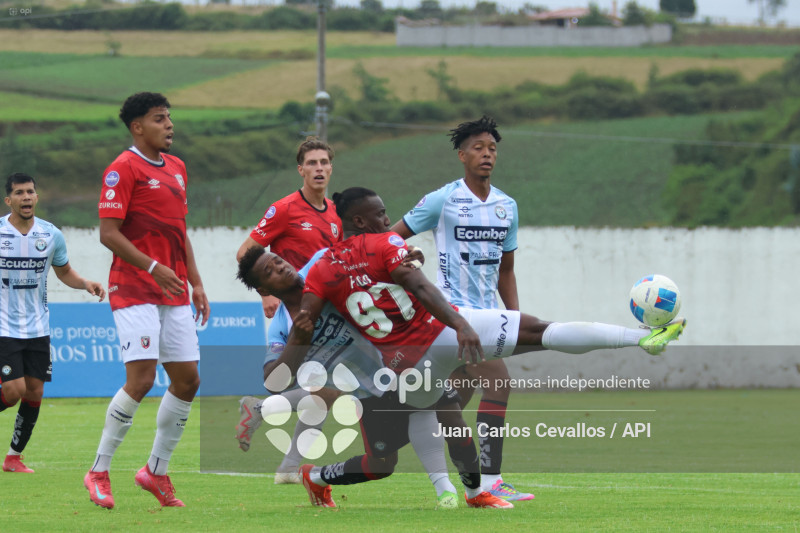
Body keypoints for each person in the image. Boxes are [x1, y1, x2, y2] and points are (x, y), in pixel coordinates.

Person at [273, 187, 685, 506]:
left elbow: (306, 322)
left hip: (406, 367)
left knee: (432, 426)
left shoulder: (325, 267)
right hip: (441, 335)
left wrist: (289, 360)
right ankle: (641, 339)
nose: (388, 219)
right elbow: (419, 285)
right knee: (538, 333)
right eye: (381, 214)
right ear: (359, 220)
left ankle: (468, 491)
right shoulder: (383, 244)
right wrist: (461, 325)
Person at [237, 247, 511, 509]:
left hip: (405, 356)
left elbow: (370, 255)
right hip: (369, 390)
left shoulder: (323, 263)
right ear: (264, 290)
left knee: (451, 420)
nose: (281, 267)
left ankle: (473, 494)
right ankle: (315, 476)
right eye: (270, 271)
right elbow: (273, 380)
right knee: (381, 465)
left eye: (278, 260)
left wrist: (406, 255)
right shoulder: (285, 326)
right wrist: (298, 340)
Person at [389, 116, 529, 500]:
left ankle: (375, 450)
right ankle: (488, 482)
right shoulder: (442, 199)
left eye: (493, 148)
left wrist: (513, 320)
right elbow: (391, 238)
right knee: (499, 384)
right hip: (452, 317)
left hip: (489, 317)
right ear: (462, 155)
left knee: (444, 406)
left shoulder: (506, 206)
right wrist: (407, 257)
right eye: (479, 148)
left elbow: (507, 270)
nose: (487, 154)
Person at [84, 92, 210, 509]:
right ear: (138, 127)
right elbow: (109, 233)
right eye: (160, 119)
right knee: (140, 379)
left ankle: (155, 472)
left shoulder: (177, 168)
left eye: (170, 118)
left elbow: (180, 231)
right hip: (134, 287)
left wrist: (196, 282)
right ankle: (99, 470)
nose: (170, 125)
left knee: (188, 379)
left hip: (172, 291)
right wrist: (155, 268)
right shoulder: (122, 169)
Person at [234, 138, 343, 483]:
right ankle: (263, 411)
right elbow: (245, 253)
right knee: (334, 386)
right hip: (296, 312)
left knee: (324, 390)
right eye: (311, 163)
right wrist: (266, 295)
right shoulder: (283, 209)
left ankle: (288, 467)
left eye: (324, 162)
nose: (319, 169)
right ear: (300, 169)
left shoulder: (336, 214)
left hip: (326, 311)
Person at [0, 173, 105, 474]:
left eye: (30, 192)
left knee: (34, 392)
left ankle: (13, 458)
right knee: (13, 391)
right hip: (4, 327)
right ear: (9, 200)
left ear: (37, 197)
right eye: (19, 193)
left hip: (38, 328)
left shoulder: (50, 234)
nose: (26, 197)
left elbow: (64, 272)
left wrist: (85, 283)